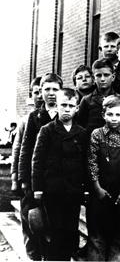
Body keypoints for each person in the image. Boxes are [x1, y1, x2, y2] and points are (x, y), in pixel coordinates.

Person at [31, 88, 87, 260]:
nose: (67, 109)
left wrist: (86, 188)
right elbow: (37, 160)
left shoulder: (82, 133)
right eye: (63, 105)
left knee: (70, 229)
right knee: (55, 231)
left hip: (73, 191)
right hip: (52, 190)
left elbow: (86, 163)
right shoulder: (47, 130)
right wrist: (38, 188)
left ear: (77, 108)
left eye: (71, 105)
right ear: (56, 106)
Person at [86, 95, 120, 261]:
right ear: (103, 115)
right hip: (99, 192)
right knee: (96, 237)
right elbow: (92, 162)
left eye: (117, 115)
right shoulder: (97, 135)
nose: (114, 118)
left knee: (118, 237)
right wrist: (97, 187)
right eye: (110, 114)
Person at [18, 73, 63, 223]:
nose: (51, 93)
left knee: (59, 223)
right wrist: (24, 178)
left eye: (55, 89)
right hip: (37, 176)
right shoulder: (34, 117)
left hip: (60, 178)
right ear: (41, 91)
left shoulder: (67, 114)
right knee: (36, 221)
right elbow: (25, 149)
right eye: (47, 89)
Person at [10, 76, 43, 260]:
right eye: (36, 92)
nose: (40, 96)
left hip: (46, 180)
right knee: (28, 220)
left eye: (42, 91)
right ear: (32, 95)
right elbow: (18, 151)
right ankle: (32, 256)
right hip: (28, 179)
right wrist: (16, 178)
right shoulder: (25, 121)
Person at [76, 58, 120, 138]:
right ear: (93, 78)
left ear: (113, 77)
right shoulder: (87, 100)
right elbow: (80, 127)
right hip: (92, 145)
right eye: (99, 75)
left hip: (116, 145)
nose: (103, 79)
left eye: (106, 75)